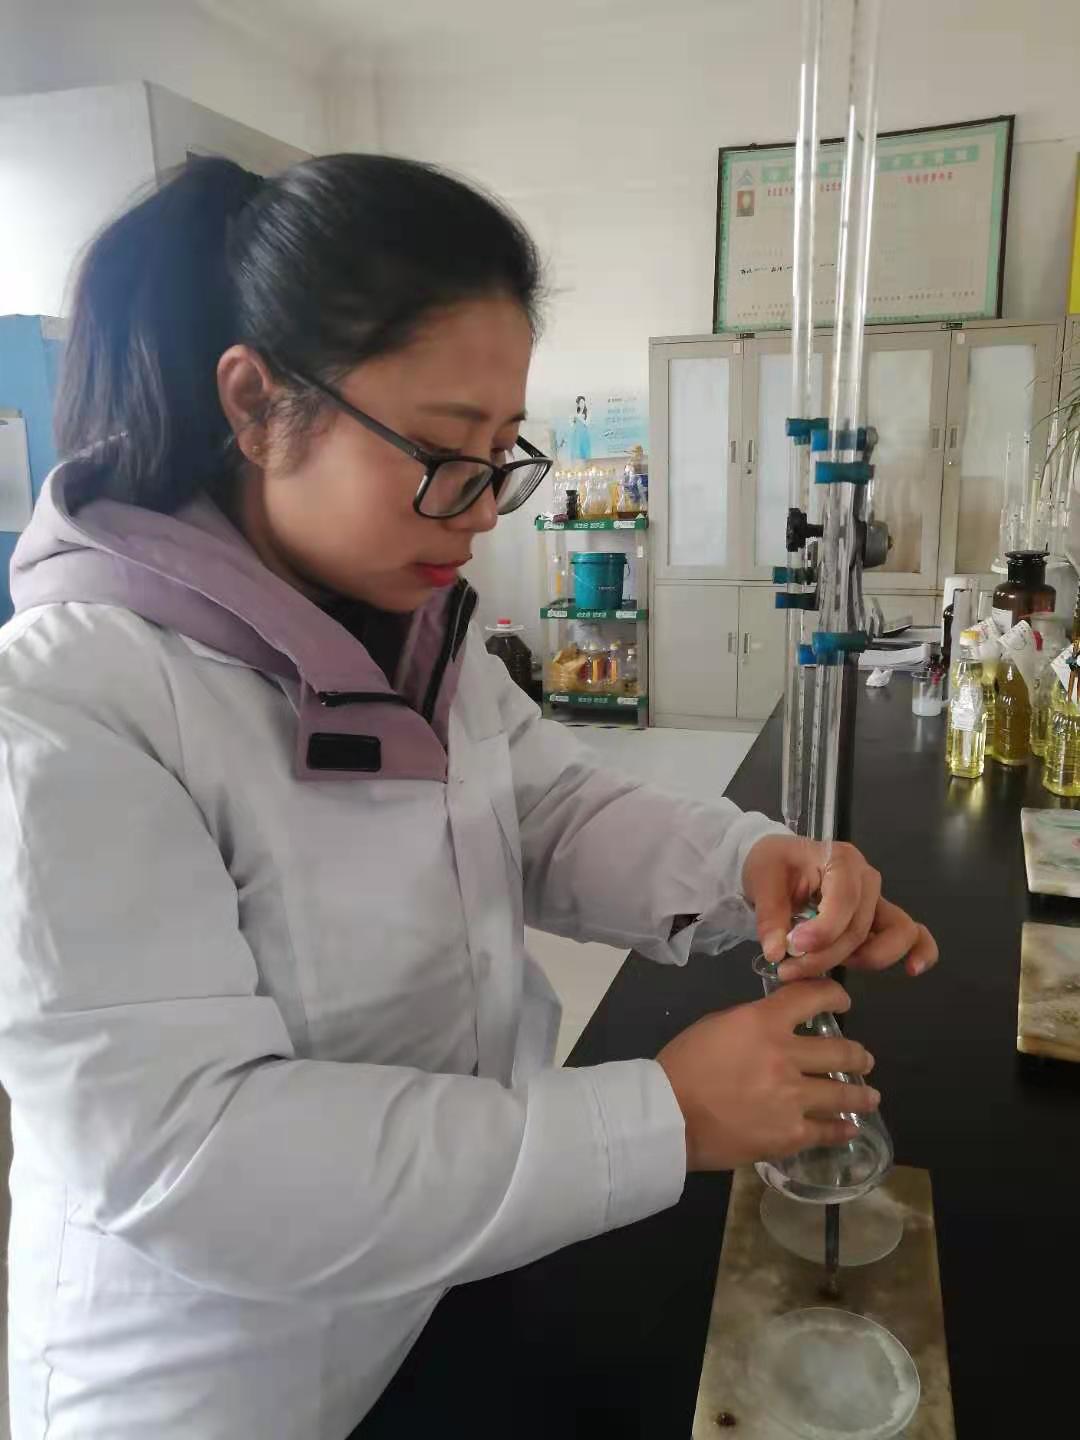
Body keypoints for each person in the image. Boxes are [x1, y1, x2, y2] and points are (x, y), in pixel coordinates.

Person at [0, 154, 937, 1440]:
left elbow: (545, 810)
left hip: (444, 1276)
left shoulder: (406, 630)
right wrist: (661, 1116)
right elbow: (191, 1153)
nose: (486, 510)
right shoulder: (72, 705)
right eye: (445, 454)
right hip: (221, 1383)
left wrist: (745, 864)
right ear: (257, 403)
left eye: (503, 454)